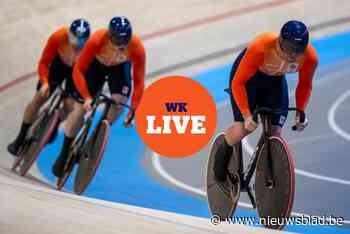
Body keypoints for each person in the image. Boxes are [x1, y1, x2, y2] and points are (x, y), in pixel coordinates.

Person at [213, 20, 318, 190]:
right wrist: (247, 115)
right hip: (248, 81)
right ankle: (220, 160)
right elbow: (238, 83)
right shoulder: (260, 47)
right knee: (244, 128)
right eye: (287, 48)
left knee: (276, 132)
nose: (292, 54)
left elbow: (305, 85)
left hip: (274, 82)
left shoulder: (310, 58)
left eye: (297, 50)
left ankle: (264, 176)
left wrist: (300, 112)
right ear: (279, 41)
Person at [52, 16, 146, 177]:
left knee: (119, 104)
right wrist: (87, 97)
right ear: (110, 37)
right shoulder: (97, 40)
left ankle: (96, 138)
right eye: (117, 42)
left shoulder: (137, 48)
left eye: (125, 42)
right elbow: (78, 70)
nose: (121, 47)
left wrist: (133, 110)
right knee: (80, 109)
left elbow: (138, 82)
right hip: (95, 67)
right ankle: (65, 151)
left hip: (118, 68)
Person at [7, 19, 91, 156]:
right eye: (74, 40)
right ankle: (20, 138)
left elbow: (87, 75)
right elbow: (44, 63)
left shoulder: (89, 49)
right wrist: (45, 83)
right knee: (40, 97)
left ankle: (56, 121)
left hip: (76, 72)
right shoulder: (58, 37)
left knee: (70, 105)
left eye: (80, 43)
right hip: (58, 66)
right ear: (69, 35)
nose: (76, 45)